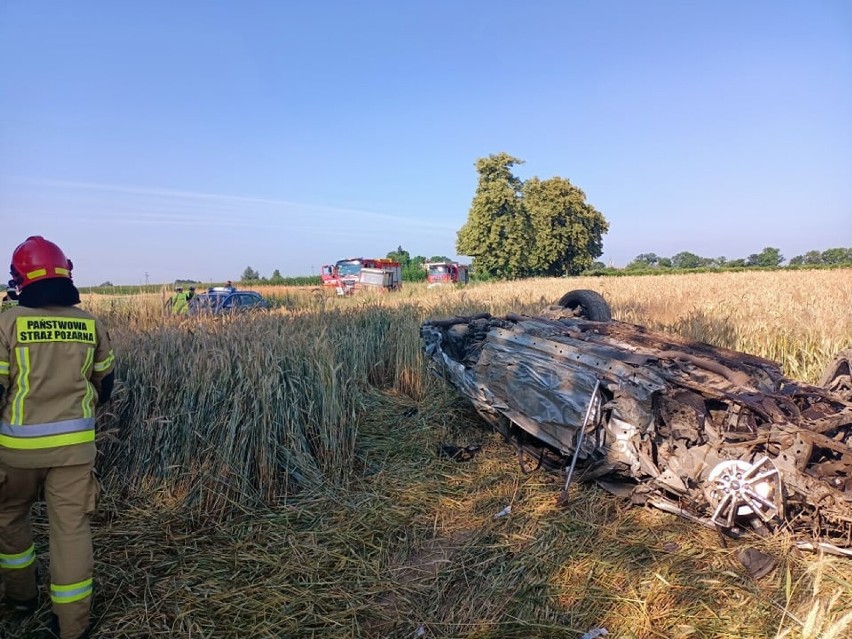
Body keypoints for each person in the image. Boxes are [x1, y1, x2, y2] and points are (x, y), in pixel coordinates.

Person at [0, 236, 115, 639]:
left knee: (10, 517)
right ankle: (72, 626)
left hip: (15, 452)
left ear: (20, 279)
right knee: (70, 531)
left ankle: (21, 599)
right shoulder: (89, 323)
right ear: (66, 274)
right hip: (74, 451)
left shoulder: (7, 322)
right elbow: (106, 383)